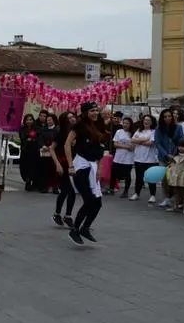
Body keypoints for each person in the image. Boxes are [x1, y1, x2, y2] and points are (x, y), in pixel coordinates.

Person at [63, 102, 109, 246]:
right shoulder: (79, 126)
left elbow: (100, 150)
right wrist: (70, 166)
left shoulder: (99, 126)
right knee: (88, 200)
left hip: (93, 166)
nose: (95, 113)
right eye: (92, 111)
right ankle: (74, 229)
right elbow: (67, 145)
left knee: (98, 203)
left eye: (96, 110)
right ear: (85, 112)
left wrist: (100, 168)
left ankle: (85, 228)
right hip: (81, 166)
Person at [50, 111, 77, 227]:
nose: (72, 119)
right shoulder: (60, 132)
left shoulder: (77, 131)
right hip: (63, 163)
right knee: (67, 190)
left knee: (71, 191)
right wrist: (57, 164)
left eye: (73, 117)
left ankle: (67, 215)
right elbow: (52, 149)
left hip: (75, 163)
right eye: (69, 118)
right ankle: (59, 213)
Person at [111, 116, 135, 199]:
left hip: (128, 158)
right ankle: (111, 188)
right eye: (124, 123)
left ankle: (126, 191)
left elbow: (132, 147)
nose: (125, 125)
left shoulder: (133, 133)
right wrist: (125, 146)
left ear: (130, 124)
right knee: (114, 172)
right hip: (118, 157)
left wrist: (122, 145)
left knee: (127, 175)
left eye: (127, 123)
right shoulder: (119, 132)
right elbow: (115, 144)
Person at [166, 140, 184, 214]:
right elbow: (171, 167)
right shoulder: (175, 156)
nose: (181, 148)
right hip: (175, 176)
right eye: (179, 146)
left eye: (183, 146)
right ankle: (175, 206)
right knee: (176, 192)